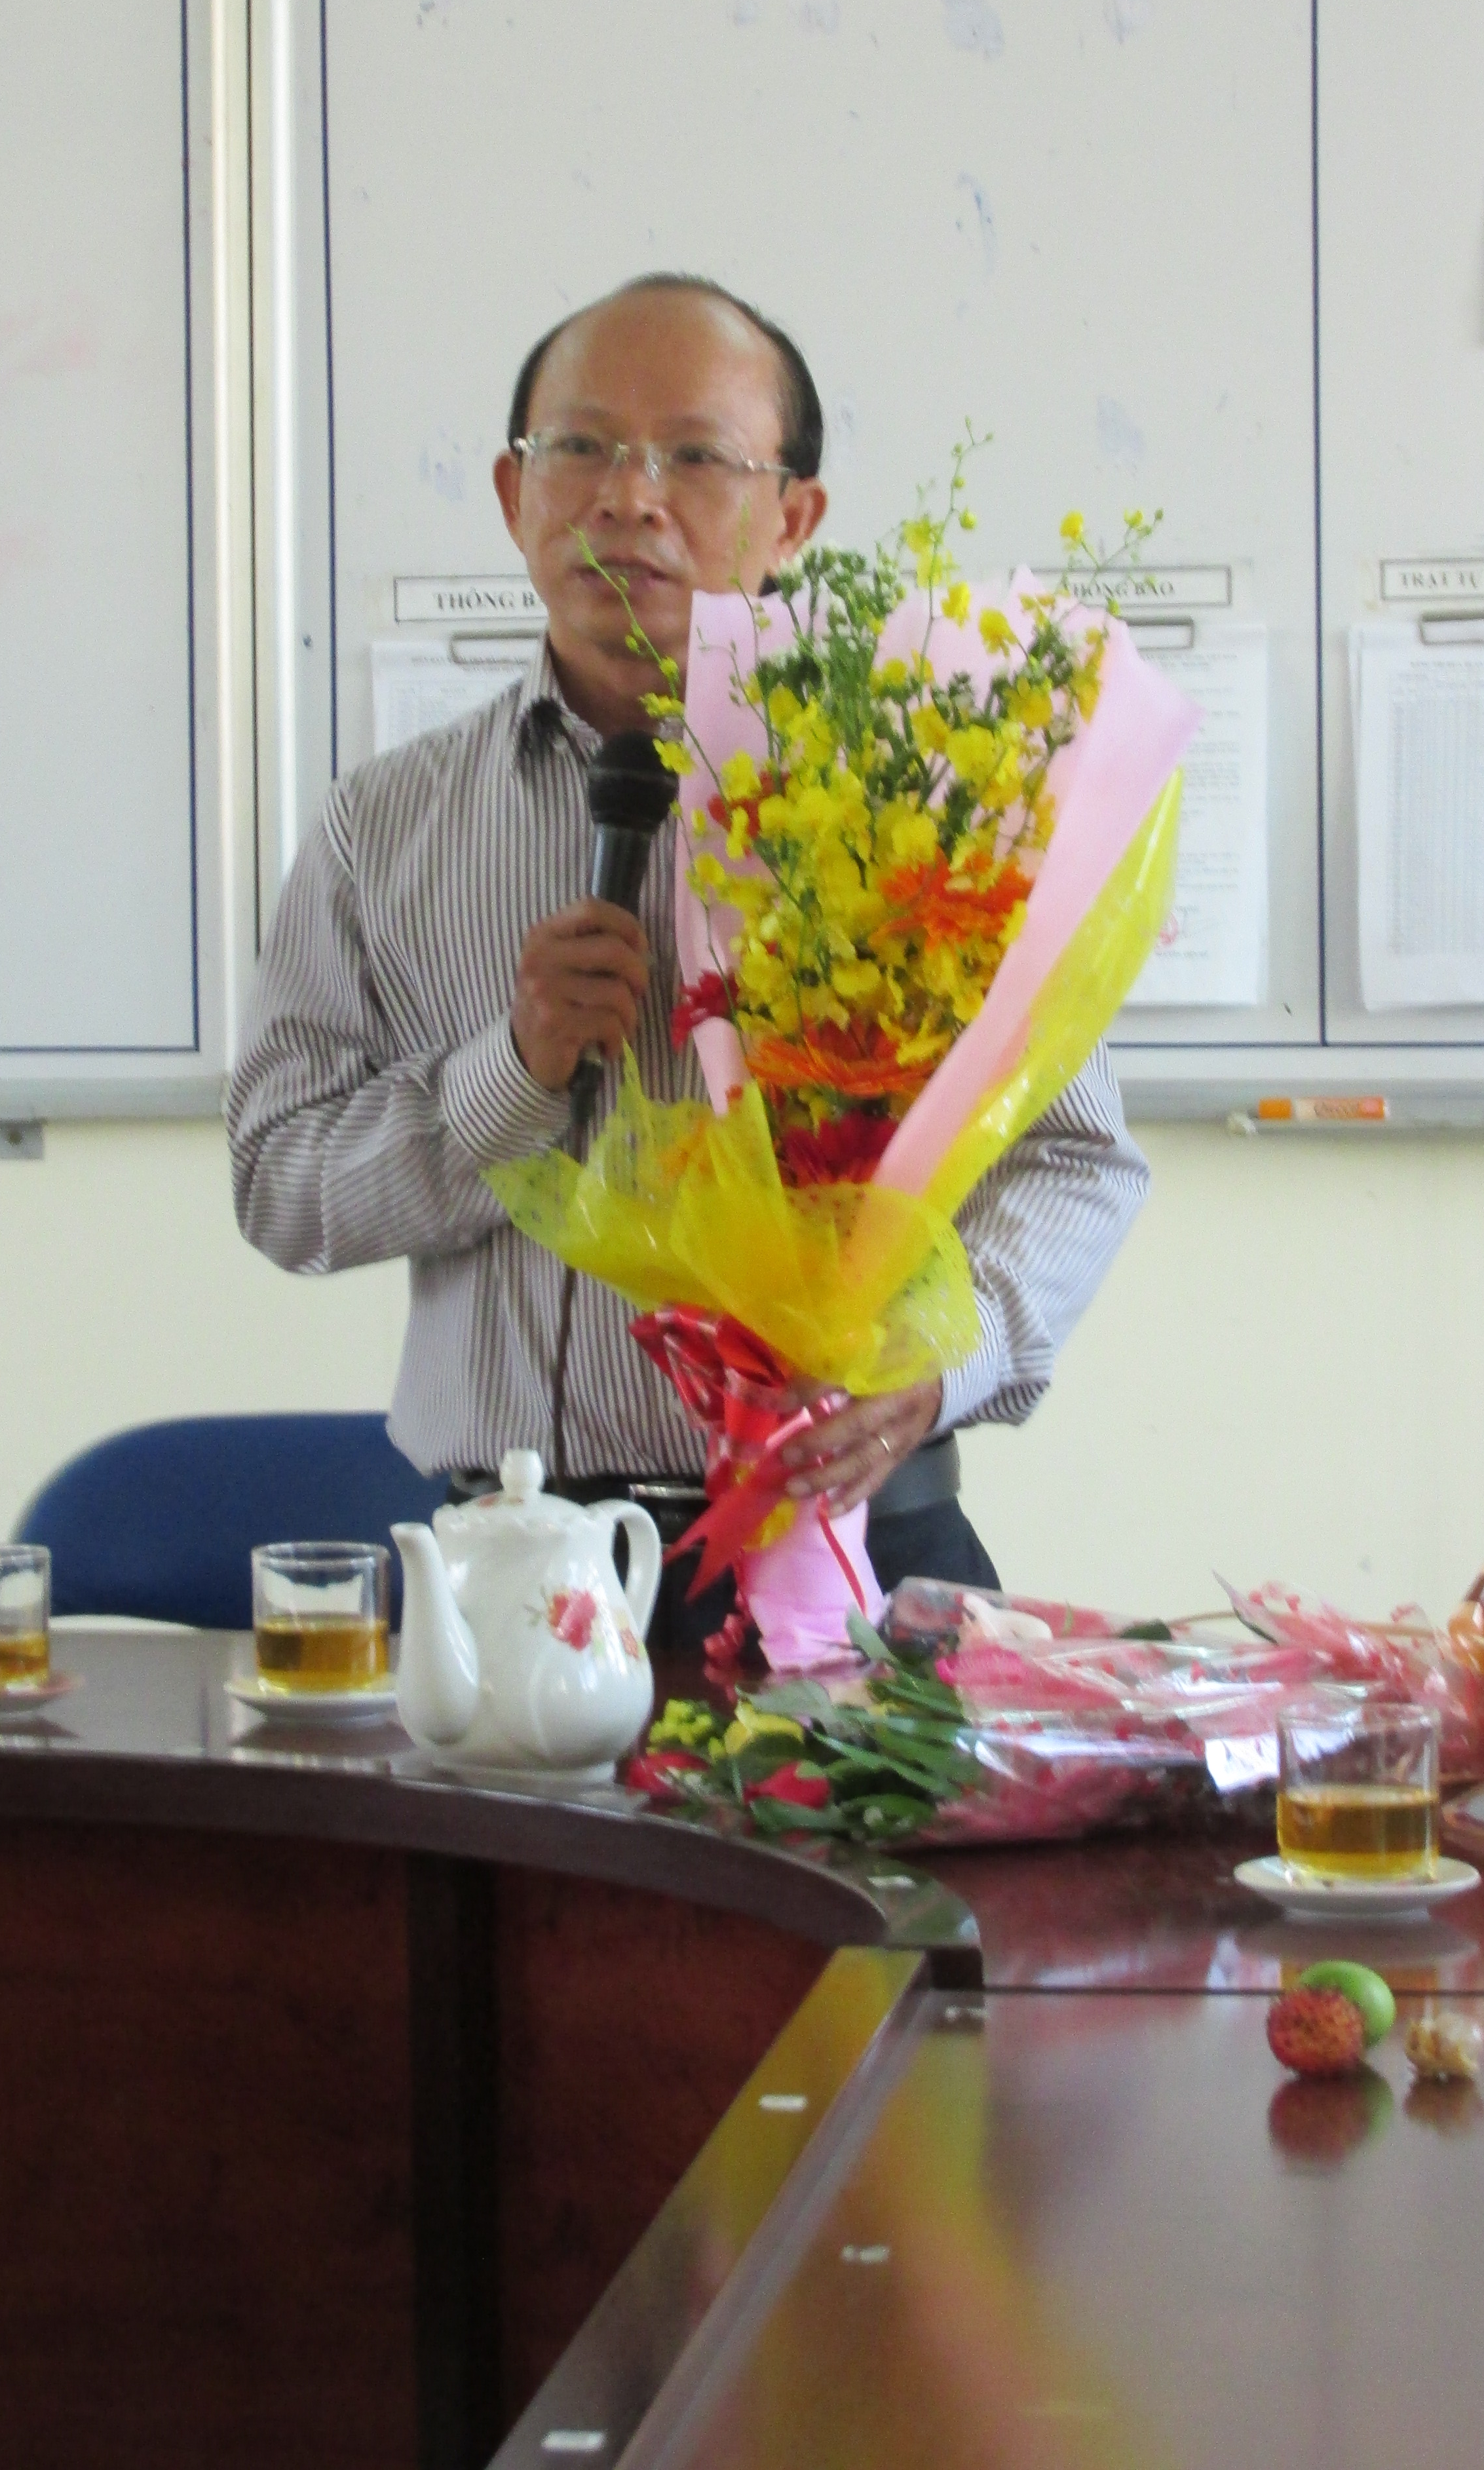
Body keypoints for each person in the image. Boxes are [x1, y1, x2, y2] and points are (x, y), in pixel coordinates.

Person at [226, 273, 1148, 1634]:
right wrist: (511, 1073)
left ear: (796, 518)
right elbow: (279, 1182)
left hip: (855, 1551)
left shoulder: (919, 799)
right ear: (513, 494)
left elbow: (1075, 1156)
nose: (629, 499)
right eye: (581, 447)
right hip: (512, 1577)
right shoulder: (389, 825)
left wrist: (940, 1363)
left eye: (697, 458)